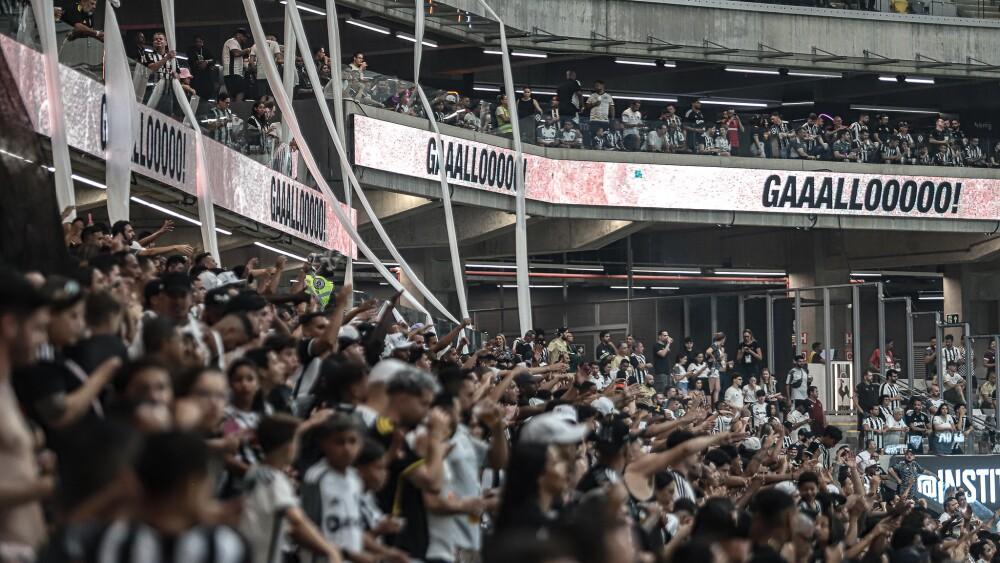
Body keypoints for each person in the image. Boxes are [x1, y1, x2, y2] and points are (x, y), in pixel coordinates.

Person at [223, 28, 252, 101]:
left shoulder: (237, 44)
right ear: (238, 35)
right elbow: (236, 53)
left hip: (234, 73)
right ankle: (237, 108)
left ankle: (233, 108)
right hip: (232, 72)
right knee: (240, 91)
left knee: (234, 93)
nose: (245, 39)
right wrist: (248, 50)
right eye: (244, 36)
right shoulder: (232, 41)